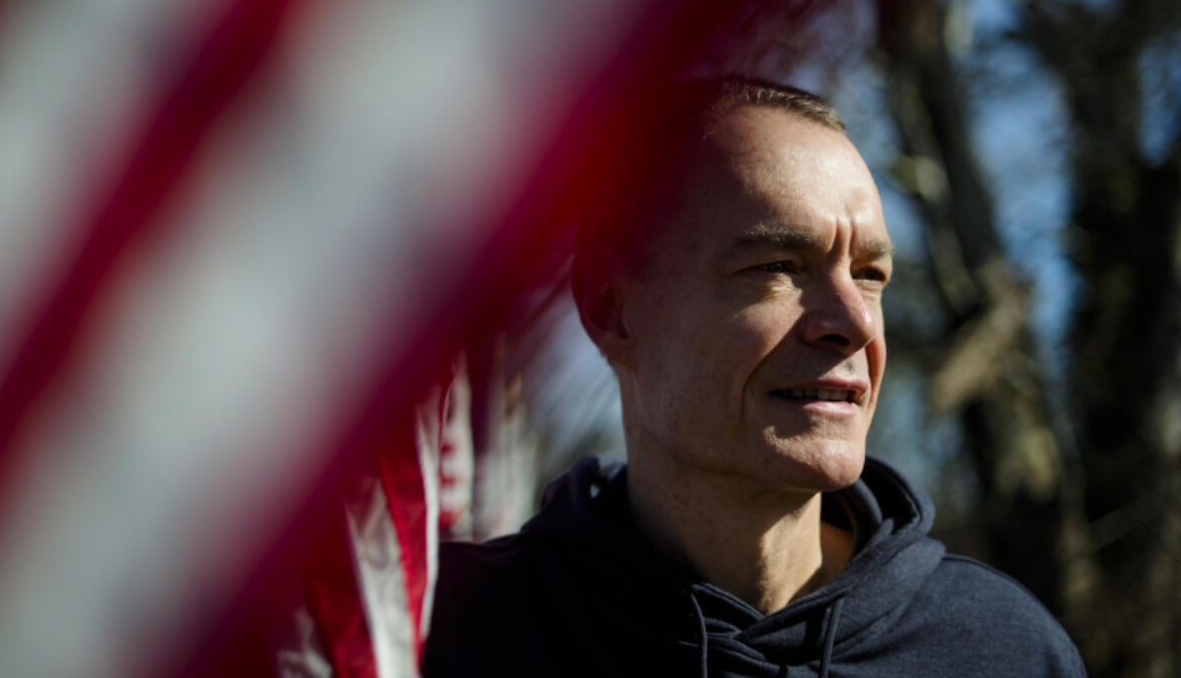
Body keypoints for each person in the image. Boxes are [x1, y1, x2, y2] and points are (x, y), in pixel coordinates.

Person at [422, 77, 1086, 677]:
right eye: (779, 265)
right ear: (611, 308)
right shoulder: (441, 638)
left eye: (870, 275)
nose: (853, 322)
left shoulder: (1006, 650)